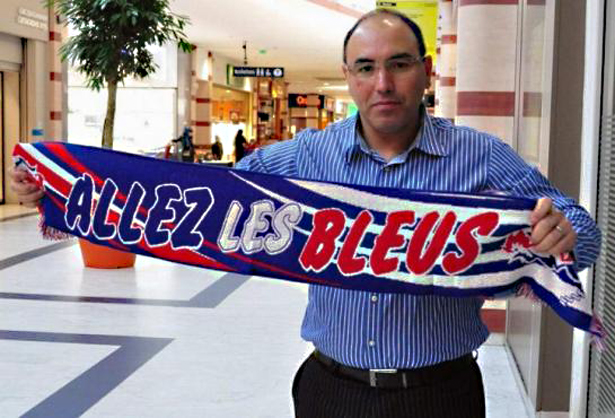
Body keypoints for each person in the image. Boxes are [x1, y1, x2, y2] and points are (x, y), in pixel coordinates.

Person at [9, 9, 601, 418]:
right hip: (330, 390)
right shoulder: (306, 157)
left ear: (425, 69)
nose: (383, 83)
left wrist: (566, 230)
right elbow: (195, 195)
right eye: (365, 68)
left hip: (441, 393)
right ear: (349, 77)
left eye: (399, 64)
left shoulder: (481, 157)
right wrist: (63, 189)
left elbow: (582, 229)